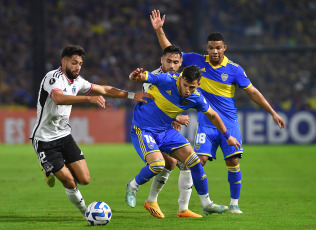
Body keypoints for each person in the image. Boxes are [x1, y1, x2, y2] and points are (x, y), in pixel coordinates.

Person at [150, 9, 286, 214]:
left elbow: (253, 92)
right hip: (206, 123)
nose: (214, 51)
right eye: (211, 48)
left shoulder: (235, 69)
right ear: (207, 48)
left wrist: (272, 112)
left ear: (224, 48)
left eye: (218, 48)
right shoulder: (197, 60)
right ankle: (197, 205)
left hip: (229, 122)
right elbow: (171, 52)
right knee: (197, 161)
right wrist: (160, 30)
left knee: (232, 161)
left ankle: (234, 204)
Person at [30, 44, 152, 219]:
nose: (77, 67)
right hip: (44, 140)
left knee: (85, 179)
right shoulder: (53, 77)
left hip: (64, 136)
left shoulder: (78, 82)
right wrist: (88, 98)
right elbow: (57, 98)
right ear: (63, 62)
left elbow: (104, 89)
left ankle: (53, 168)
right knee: (69, 181)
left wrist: (133, 96)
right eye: (73, 63)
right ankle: (86, 213)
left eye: (80, 63)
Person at [125, 64, 242, 216]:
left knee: (194, 161)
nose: (187, 90)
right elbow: (143, 76)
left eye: (192, 87)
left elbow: (212, 115)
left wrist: (228, 137)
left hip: (166, 130)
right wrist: (135, 76)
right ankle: (133, 186)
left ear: (198, 85)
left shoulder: (196, 97)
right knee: (158, 164)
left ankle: (206, 204)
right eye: (185, 85)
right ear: (180, 79)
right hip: (144, 129)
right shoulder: (166, 79)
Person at [144, 45, 201, 218]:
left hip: (166, 128)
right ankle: (151, 200)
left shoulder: (181, 78)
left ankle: (183, 209)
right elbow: (152, 106)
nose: (172, 65)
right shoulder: (153, 78)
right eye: (168, 61)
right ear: (162, 60)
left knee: (186, 163)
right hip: (151, 128)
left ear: (180, 63)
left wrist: (173, 118)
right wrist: (176, 118)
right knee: (169, 163)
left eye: (176, 62)